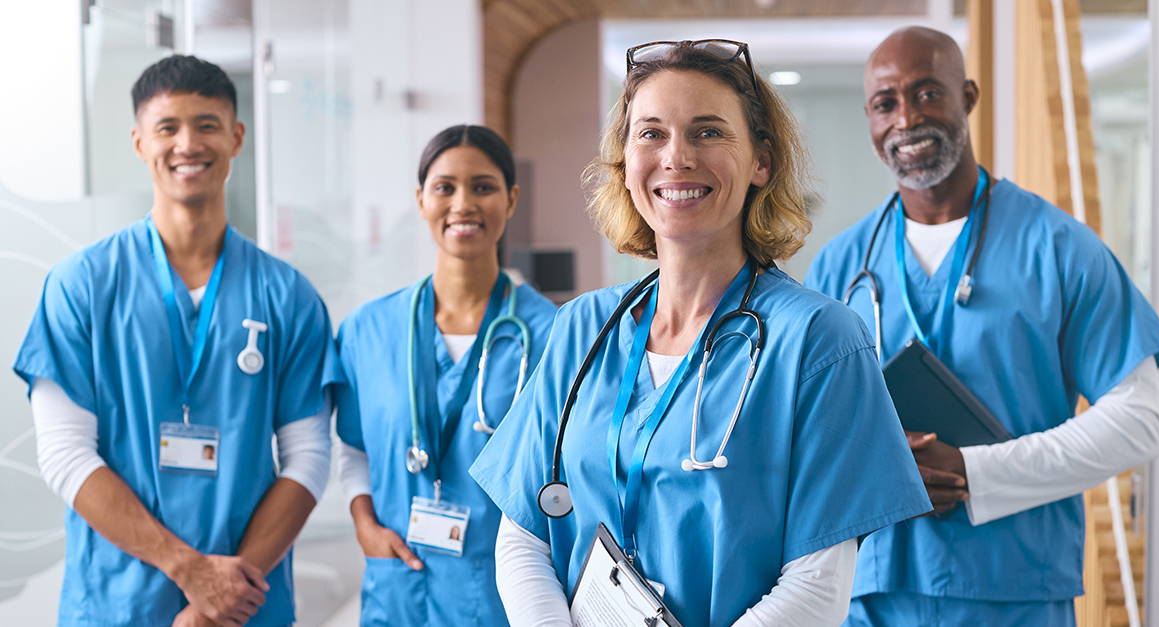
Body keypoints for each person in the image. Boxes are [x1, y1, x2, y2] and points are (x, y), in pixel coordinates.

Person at [468, 41, 931, 627]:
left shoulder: (819, 341)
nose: (677, 157)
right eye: (651, 133)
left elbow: (819, 585)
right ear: (626, 161)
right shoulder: (582, 328)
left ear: (762, 161)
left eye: (708, 132)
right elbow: (522, 539)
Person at [803, 27, 1159, 626]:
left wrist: (977, 473)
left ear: (968, 96)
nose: (906, 118)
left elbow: (1141, 421)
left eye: (928, 93)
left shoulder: (1058, 248)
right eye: (886, 103)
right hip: (870, 594)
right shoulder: (841, 265)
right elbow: (808, 433)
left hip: (1015, 591)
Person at [12, 56, 339, 627]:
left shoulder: (288, 296)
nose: (188, 143)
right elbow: (64, 454)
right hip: (117, 603)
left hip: (244, 604)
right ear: (140, 143)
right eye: (168, 127)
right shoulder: (82, 285)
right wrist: (191, 572)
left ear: (236, 137)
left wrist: (222, 600)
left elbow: (307, 459)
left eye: (207, 124)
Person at [334, 124, 558, 627]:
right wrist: (363, 521)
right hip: (398, 591)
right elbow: (352, 445)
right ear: (420, 200)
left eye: (483, 186)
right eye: (444, 187)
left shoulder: (554, 336)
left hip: (504, 595)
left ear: (511, 198)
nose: (463, 203)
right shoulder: (368, 330)